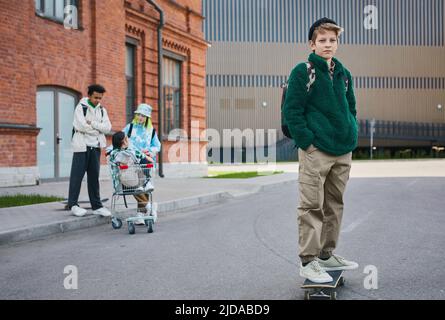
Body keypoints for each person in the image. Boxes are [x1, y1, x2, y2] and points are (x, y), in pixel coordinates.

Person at [282, 18, 359, 283]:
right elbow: (291, 111)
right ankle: (308, 261)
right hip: (316, 150)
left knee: (334, 205)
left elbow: (351, 108)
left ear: (337, 43)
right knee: (311, 205)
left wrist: (352, 131)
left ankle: (326, 255)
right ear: (312, 44)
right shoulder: (303, 71)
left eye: (332, 40)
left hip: (342, 148)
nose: (328, 44)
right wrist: (306, 141)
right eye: (322, 40)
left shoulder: (344, 73)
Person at [68, 84, 112, 217]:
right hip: (81, 147)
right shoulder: (81, 107)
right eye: (95, 97)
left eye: (100, 98)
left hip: (95, 147)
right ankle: (73, 205)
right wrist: (98, 128)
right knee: (77, 176)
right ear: (89, 95)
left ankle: (97, 206)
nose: (98, 100)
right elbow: (81, 126)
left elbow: (107, 128)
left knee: (94, 177)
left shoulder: (102, 110)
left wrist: (92, 124)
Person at [123, 103, 161, 224]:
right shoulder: (129, 128)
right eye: (139, 115)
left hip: (145, 162)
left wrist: (150, 152)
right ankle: (149, 206)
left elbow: (157, 146)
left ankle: (140, 213)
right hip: (131, 162)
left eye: (143, 116)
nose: (140, 118)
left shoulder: (151, 131)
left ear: (147, 118)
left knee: (143, 186)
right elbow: (120, 140)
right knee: (133, 184)